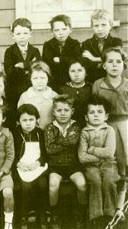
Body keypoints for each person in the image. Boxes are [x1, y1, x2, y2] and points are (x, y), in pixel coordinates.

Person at [92, 47, 128, 218]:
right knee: (109, 162)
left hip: (125, 124)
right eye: (110, 61)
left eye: (118, 62)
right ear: (104, 65)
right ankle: (107, 208)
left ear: (124, 65)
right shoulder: (98, 84)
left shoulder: (127, 83)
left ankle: (121, 205)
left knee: (124, 162)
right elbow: (94, 108)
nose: (115, 65)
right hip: (105, 126)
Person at [44, 95, 86, 228]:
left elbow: (74, 142)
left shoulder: (76, 126)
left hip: (73, 165)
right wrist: (67, 142)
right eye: (59, 110)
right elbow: (50, 149)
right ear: (53, 112)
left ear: (72, 111)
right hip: (55, 165)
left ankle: (81, 212)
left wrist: (58, 142)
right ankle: (54, 213)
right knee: (53, 186)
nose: (62, 114)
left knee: (82, 184)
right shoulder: (49, 127)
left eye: (66, 110)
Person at [78, 97, 119, 227]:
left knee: (109, 181)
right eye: (92, 112)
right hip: (91, 166)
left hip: (110, 164)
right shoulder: (84, 132)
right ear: (86, 117)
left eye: (99, 112)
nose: (96, 115)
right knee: (95, 182)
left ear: (106, 116)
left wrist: (92, 149)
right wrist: (100, 157)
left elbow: (109, 152)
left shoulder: (109, 130)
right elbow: (82, 157)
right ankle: (95, 215)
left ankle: (110, 214)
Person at [13, 104, 48, 229]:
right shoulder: (15, 134)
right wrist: (18, 163)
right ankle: (24, 214)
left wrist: (38, 163)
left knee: (43, 184)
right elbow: (11, 153)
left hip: (37, 166)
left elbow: (45, 153)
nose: (28, 123)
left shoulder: (41, 133)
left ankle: (42, 213)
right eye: (24, 120)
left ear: (37, 120)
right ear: (18, 122)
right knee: (25, 186)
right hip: (21, 166)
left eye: (31, 120)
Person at [4, 18, 41, 131]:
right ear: (13, 35)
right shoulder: (9, 51)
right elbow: (9, 72)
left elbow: (39, 67)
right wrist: (29, 66)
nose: (22, 36)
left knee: (30, 116)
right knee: (15, 118)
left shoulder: (35, 50)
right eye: (18, 33)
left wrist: (22, 65)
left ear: (30, 34)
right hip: (14, 91)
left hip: (31, 89)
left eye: (25, 33)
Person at [81, 9, 123, 83]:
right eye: (96, 25)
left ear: (110, 25)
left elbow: (114, 58)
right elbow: (87, 64)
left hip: (112, 80)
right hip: (92, 80)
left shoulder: (116, 42)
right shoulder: (86, 43)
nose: (100, 29)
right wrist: (105, 61)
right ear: (92, 27)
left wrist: (93, 59)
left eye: (103, 25)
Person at [42, 14, 81, 92]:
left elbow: (76, 61)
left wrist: (60, 60)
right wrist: (67, 61)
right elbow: (47, 63)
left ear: (70, 30)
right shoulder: (48, 45)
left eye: (64, 29)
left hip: (70, 80)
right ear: (52, 31)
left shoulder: (75, 44)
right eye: (57, 30)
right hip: (53, 80)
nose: (61, 33)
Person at [18, 61, 58, 129]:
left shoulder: (54, 96)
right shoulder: (24, 97)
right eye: (35, 78)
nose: (39, 81)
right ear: (30, 79)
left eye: (42, 78)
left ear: (48, 79)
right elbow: (20, 118)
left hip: (50, 135)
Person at [59, 58, 92, 128]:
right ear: (68, 73)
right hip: (69, 126)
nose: (76, 74)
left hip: (89, 125)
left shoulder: (91, 88)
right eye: (72, 71)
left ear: (86, 72)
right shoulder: (63, 89)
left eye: (80, 70)